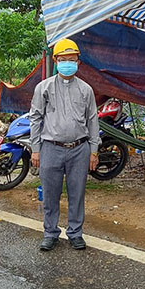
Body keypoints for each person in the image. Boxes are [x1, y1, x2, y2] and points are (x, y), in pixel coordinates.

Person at [29, 38, 100, 251]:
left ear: (79, 62)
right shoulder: (44, 88)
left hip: (79, 148)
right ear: (56, 60)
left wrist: (93, 151)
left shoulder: (86, 90)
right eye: (63, 59)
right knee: (50, 193)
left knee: (77, 193)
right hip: (50, 147)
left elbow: (93, 120)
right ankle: (50, 233)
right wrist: (35, 149)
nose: (68, 63)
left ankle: (75, 233)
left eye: (72, 59)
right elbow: (35, 118)